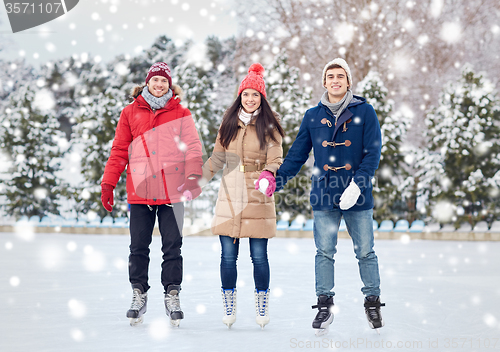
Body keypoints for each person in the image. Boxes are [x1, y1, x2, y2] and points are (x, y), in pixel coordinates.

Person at [274, 58, 385, 335]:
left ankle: (372, 302)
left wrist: (358, 185)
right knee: (324, 252)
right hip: (324, 194)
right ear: (324, 82)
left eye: (340, 76)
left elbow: (373, 152)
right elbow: (297, 154)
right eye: (330, 76)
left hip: (357, 195)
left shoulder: (365, 111)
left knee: (365, 252)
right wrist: (276, 181)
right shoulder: (313, 115)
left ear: (348, 82)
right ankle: (324, 303)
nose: (335, 81)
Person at [100, 62, 203, 327]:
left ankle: (172, 294)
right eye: (155, 81)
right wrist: (108, 183)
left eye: (164, 82)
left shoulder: (181, 113)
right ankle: (139, 293)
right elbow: (119, 150)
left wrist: (192, 178)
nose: (159, 86)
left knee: (172, 248)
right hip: (140, 190)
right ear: (147, 83)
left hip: (173, 191)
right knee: (138, 248)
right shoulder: (130, 112)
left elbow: (192, 148)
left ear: (170, 85)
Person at [201, 63, 284, 329]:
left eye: (255, 95)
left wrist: (269, 174)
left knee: (259, 256)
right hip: (230, 193)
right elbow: (217, 157)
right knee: (228, 255)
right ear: (240, 96)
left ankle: (261, 303)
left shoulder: (269, 125)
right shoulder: (228, 122)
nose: (250, 99)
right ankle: (229, 303)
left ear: (262, 98)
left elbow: (276, 157)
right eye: (246, 94)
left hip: (258, 193)